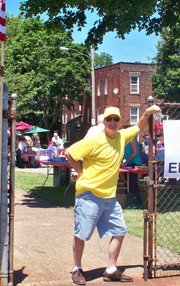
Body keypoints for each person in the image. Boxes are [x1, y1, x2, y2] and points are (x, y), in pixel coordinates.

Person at [65, 104, 162, 284]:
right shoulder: (94, 139)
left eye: (115, 119)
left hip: (110, 197)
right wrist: (81, 173)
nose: (112, 122)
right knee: (82, 234)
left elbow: (139, 126)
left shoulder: (122, 137)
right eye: (109, 119)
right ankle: (77, 268)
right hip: (89, 195)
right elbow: (70, 153)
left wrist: (148, 112)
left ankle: (111, 269)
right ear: (104, 122)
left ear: (119, 122)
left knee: (119, 230)